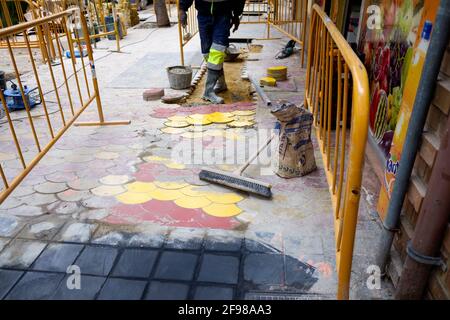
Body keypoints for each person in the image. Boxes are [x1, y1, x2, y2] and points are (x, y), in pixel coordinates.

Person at [179, 0, 246, 104]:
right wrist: (182, 9)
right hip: (203, 14)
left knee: (217, 50)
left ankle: (208, 91)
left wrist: (236, 14)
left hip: (223, 14)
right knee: (207, 54)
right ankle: (221, 83)